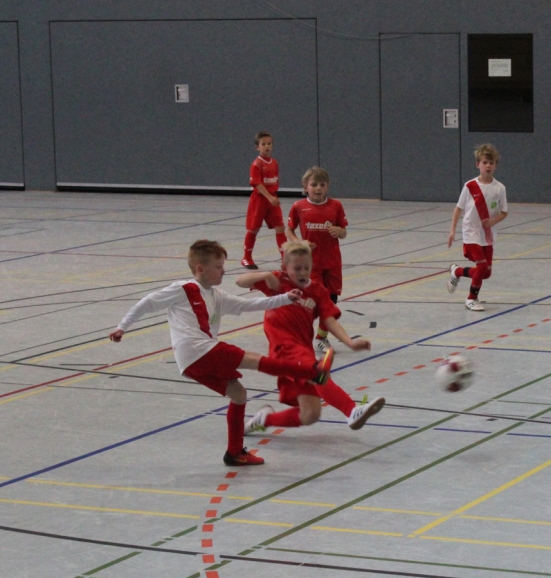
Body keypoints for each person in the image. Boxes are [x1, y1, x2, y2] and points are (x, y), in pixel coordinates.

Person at [109, 239, 334, 467]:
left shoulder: (216, 295)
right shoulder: (184, 288)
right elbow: (148, 303)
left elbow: (248, 305)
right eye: (218, 267)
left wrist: (285, 298)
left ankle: (234, 453)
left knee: (239, 394)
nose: (223, 271)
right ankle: (311, 372)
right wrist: (122, 326)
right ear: (200, 269)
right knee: (254, 360)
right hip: (198, 349)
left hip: (191, 362)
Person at [236, 241, 384, 434]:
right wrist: (265, 275)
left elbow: (329, 320)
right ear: (285, 266)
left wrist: (349, 342)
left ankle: (265, 419)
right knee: (318, 374)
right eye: (297, 268)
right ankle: (351, 411)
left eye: (306, 268)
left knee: (310, 414)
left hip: (303, 350)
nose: (302, 272)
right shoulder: (278, 282)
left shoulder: (318, 292)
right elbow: (240, 281)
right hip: (284, 347)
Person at [285, 166, 348, 354]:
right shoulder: (299, 206)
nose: (318, 188)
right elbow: (289, 230)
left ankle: (321, 337)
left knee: (331, 300)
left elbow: (344, 232)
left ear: (327, 186)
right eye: (314, 184)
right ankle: (298, 333)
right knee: (315, 300)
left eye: (322, 184)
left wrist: (339, 231)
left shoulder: (336, 206)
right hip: (311, 264)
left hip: (332, 262)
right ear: (305, 186)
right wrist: (300, 242)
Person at [446, 143, 508, 311]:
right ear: (477, 164)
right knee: (481, 267)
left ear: (496, 165)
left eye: (491, 163)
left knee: (486, 273)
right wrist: (452, 230)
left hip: (487, 235)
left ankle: (457, 271)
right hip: (471, 232)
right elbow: (458, 208)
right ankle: (471, 298)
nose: (488, 166)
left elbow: (504, 212)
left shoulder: (500, 188)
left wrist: (493, 222)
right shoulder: (470, 186)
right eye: (485, 162)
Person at [241, 131, 287, 269]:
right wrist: (269, 197)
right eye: (263, 144)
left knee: (280, 228)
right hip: (260, 199)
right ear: (257, 147)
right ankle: (246, 257)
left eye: (269, 144)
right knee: (253, 229)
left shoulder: (274, 163)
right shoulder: (256, 164)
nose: (267, 146)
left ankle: (285, 259)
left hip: (272, 199)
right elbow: (257, 184)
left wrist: (273, 197)